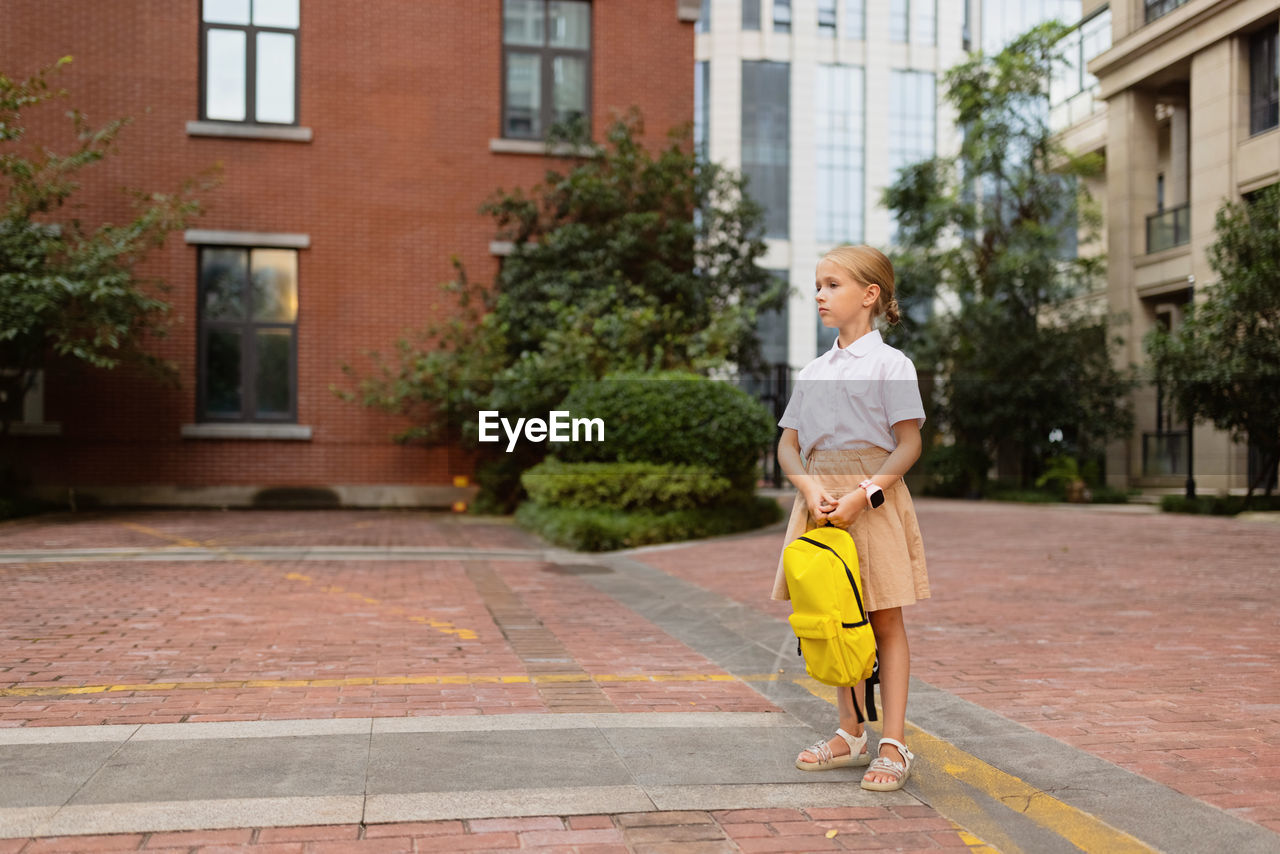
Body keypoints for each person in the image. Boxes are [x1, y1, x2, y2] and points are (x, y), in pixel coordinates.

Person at [772, 244, 929, 792]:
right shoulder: (813, 371)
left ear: (870, 295)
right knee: (836, 614)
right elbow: (788, 448)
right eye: (818, 284)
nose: (820, 294)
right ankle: (850, 732)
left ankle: (893, 742)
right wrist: (810, 488)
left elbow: (907, 445)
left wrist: (865, 494)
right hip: (820, 504)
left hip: (873, 500)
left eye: (832, 284)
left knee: (884, 619)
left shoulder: (893, 365)